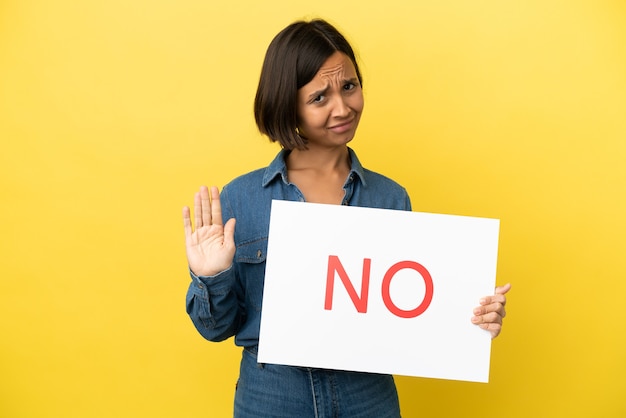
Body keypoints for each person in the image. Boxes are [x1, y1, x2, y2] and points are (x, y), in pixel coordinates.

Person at [183, 18, 511, 418]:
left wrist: (470, 318)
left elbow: (408, 311)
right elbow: (216, 328)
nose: (343, 107)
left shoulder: (389, 197)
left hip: (366, 396)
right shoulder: (242, 198)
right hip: (272, 394)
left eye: (350, 87)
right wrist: (210, 277)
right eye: (319, 97)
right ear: (287, 104)